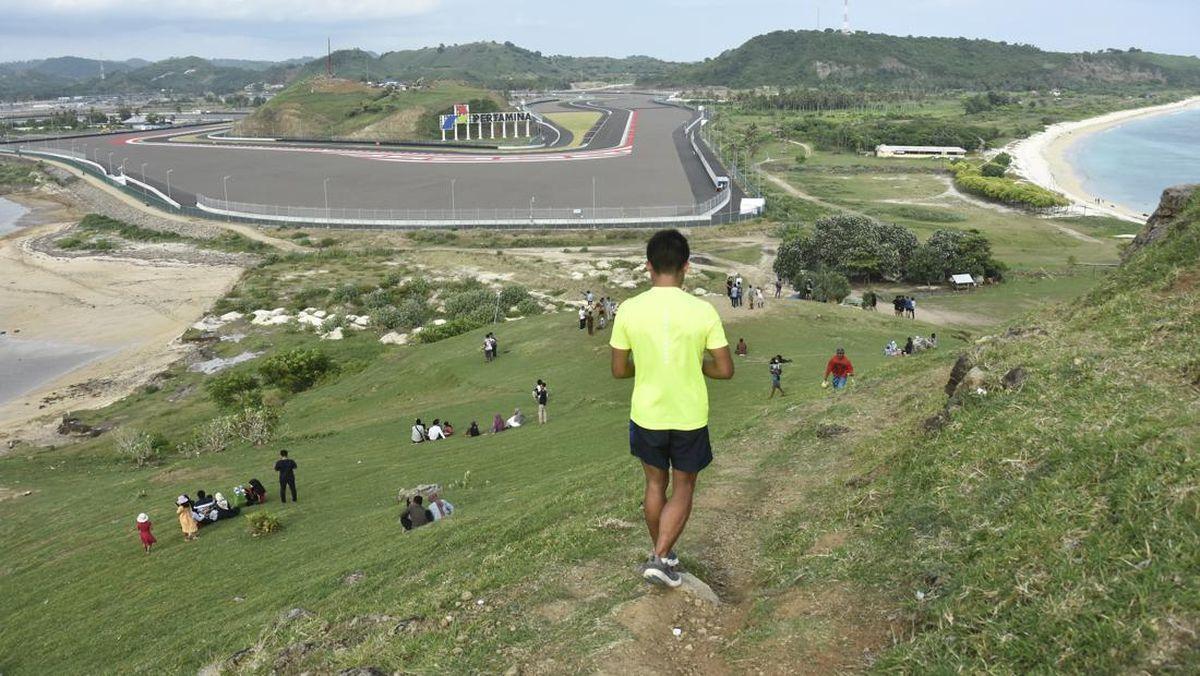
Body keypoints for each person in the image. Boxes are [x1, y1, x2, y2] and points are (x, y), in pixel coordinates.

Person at [610, 229, 734, 588]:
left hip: (646, 413)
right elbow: (725, 370)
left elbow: (619, 370)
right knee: (683, 487)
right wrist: (697, 366)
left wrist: (645, 366)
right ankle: (661, 556)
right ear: (686, 267)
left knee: (654, 483)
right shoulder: (703, 310)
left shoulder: (630, 309)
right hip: (688, 415)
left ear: (648, 266)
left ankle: (661, 552)